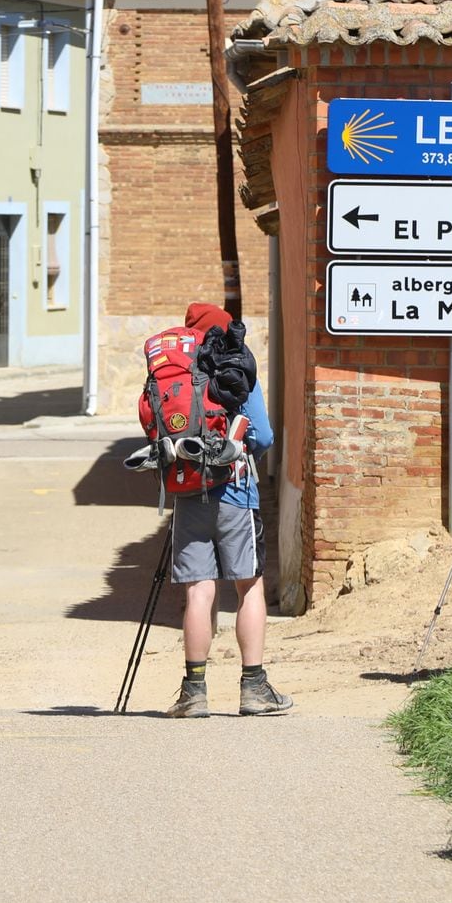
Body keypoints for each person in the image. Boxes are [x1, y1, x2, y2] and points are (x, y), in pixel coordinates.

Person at [166, 302, 292, 718]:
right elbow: (265, 436)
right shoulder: (236, 367)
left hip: (189, 491)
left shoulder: (177, 374)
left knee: (199, 590)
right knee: (248, 586)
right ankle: (254, 688)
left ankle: (194, 692)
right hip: (237, 492)